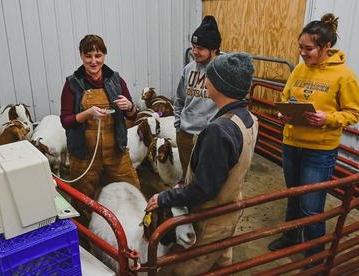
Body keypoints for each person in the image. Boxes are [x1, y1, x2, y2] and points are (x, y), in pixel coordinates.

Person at [146, 53, 258, 274]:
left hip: (210, 219)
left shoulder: (218, 130)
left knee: (184, 271)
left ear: (218, 84)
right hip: (231, 207)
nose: (204, 78)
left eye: (209, 75)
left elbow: (205, 188)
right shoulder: (247, 119)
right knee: (221, 264)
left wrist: (164, 197)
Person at [268, 13, 359, 261]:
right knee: (293, 196)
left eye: (308, 48)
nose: (302, 53)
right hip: (292, 143)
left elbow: (353, 113)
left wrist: (327, 118)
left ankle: (315, 256)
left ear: (326, 47)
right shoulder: (299, 69)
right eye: (300, 48)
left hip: (318, 151)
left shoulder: (344, 76)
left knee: (311, 208)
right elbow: (286, 98)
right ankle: (291, 238)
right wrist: (283, 112)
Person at [60, 34, 140, 226]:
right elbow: (65, 120)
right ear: (81, 56)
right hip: (84, 155)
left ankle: (135, 233)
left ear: (104, 55)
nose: (93, 61)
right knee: (81, 201)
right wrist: (87, 113)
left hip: (116, 151)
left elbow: (133, 115)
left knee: (133, 192)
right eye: (88, 56)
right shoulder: (73, 83)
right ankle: (87, 242)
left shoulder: (116, 80)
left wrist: (129, 106)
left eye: (98, 55)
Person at [174, 15, 221, 178]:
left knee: (208, 180)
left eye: (200, 48)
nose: (194, 51)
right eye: (193, 46)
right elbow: (179, 99)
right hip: (186, 135)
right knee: (187, 177)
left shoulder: (223, 71)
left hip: (210, 138)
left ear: (214, 49)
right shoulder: (188, 69)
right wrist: (178, 125)